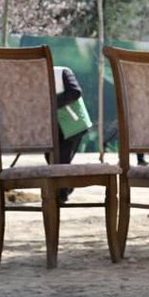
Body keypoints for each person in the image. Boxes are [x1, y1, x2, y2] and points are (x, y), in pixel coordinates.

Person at [50, 65, 93, 205]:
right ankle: (67, 186)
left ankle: (61, 195)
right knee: (49, 157)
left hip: (73, 125)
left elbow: (75, 92)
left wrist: (52, 102)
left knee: (62, 159)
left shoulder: (62, 72)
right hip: (54, 127)